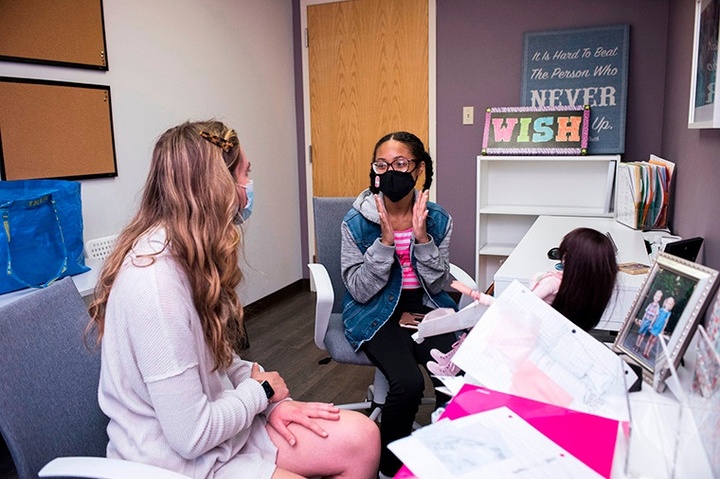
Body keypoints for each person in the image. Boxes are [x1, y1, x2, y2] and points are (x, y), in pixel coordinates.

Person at [85, 120, 380, 479]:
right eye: (244, 176)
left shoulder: (190, 257)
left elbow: (219, 364)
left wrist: (270, 403)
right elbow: (191, 436)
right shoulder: (155, 287)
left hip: (225, 431)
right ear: (216, 188)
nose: (247, 190)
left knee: (363, 437)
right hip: (176, 462)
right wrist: (262, 391)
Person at [340, 131, 459, 478]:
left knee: (455, 379)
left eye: (400, 163)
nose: (390, 171)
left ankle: (442, 459)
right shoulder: (355, 222)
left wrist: (422, 241)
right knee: (408, 384)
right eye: (381, 164)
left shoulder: (437, 219)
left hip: (425, 305)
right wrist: (385, 244)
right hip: (374, 313)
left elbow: (439, 285)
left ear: (418, 169)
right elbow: (360, 291)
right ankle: (389, 470)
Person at [428, 227, 618, 376]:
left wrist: (480, 297)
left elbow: (520, 303)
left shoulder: (553, 282)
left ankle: (453, 366)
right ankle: (451, 360)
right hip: (540, 337)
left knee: (480, 327)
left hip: (525, 334)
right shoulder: (587, 291)